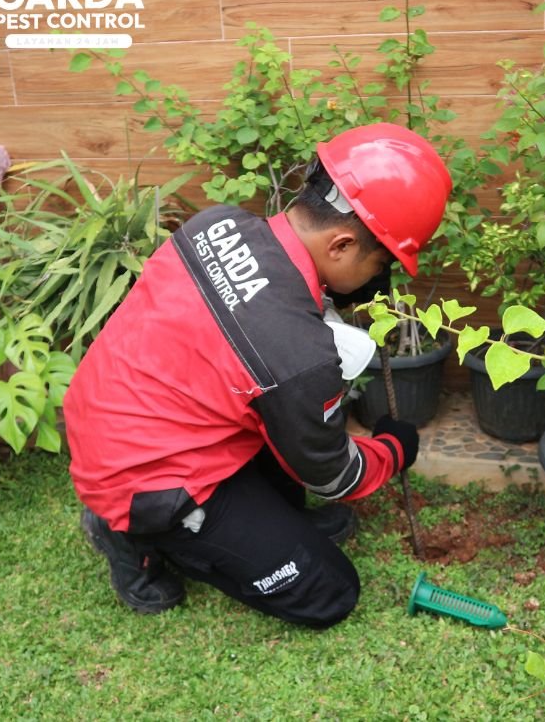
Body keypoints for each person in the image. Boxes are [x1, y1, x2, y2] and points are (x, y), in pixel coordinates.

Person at [64, 123, 452, 627]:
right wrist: (394, 448)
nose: (379, 279)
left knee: (283, 439)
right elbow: (333, 475)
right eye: (380, 264)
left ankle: (244, 524)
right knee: (330, 592)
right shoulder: (297, 352)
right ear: (340, 245)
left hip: (111, 415)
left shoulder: (218, 223)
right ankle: (128, 533)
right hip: (141, 479)